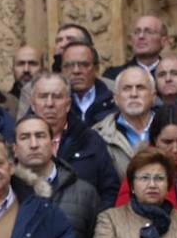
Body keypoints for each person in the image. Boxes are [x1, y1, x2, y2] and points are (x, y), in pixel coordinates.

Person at [29, 72, 121, 207]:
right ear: (32, 104)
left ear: (68, 104)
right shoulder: (18, 141)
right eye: (43, 97)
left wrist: (97, 224)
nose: (49, 103)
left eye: (57, 97)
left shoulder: (90, 140)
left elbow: (110, 191)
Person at [116, 104, 177, 209]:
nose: (175, 149)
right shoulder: (139, 170)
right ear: (155, 140)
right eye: (167, 142)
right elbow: (123, 215)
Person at [94, 66, 157, 177]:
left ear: (153, 97)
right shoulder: (97, 135)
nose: (133, 94)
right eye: (127, 88)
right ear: (116, 98)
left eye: (141, 87)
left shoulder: (171, 129)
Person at [62, 42, 116, 128]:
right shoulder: (54, 103)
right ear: (62, 70)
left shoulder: (114, 101)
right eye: (69, 65)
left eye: (84, 65)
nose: (76, 71)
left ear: (96, 69)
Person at [102, 15, 168, 81]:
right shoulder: (113, 76)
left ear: (163, 41)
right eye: (137, 32)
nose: (141, 36)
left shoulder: (171, 76)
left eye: (148, 32)